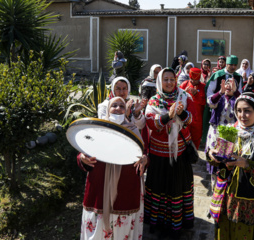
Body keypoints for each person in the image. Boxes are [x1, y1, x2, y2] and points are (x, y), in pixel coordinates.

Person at [208, 92, 254, 240]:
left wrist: (248, 164)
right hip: (228, 198)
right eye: (239, 110)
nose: (242, 115)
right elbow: (218, 160)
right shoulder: (230, 131)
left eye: (247, 110)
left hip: (253, 204)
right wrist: (212, 155)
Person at [78, 97, 148, 240]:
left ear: (126, 110)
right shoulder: (97, 131)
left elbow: (142, 156)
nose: (117, 108)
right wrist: (82, 158)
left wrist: (145, 160)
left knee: (123, 232)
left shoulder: (133, 130)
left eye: (121, 106)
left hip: (125, 191)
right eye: (114, 105)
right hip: (99, 189)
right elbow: (83, 154)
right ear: (108, 109)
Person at [144, 67, 195, 236]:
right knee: (159, 187)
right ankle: (158, 222)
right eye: (165, 79)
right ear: (160, 81)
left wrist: (181, 113)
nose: (169, 82)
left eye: (172, 79)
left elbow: (190, 120)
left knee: (177, 188)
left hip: (179, 153)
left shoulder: (184, 97)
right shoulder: (154, 100)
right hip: (159, 154)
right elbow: (151, 123)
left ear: (175, 80)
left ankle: (177, 223)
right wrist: (168, 116)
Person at [205, 78, 239, 190]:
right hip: (215, 134)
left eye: (232, 84)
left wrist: (236, 92)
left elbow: (244, 105)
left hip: (231, 136)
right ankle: (215, 190)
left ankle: (227, 191)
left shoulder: (238, 100)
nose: (228, 86)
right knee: (215, 160)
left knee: (228, 163)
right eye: (227, 84)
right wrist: (220, 92)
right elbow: (210, 103)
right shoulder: (218, 98)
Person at [202, 55, 242, 144]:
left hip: (232, 108)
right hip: (217, 105)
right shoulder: (217, 75)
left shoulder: (238, 77)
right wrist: (218, 96)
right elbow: (209, 92)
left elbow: (240, 94)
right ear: (226, 64)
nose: (233, 67)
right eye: (231, 64)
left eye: (235, 65)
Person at [179, 67, 206, 149]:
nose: (194, 82)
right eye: (192, 79)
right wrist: (184, 94)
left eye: (196, 80)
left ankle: (194, 156)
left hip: (198, 118)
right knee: (184, 137)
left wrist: (196, 95)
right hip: (185, 117)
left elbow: (205, 102)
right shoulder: (184, 84)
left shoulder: (203, 86)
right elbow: (177, 100)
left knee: (196, 139)